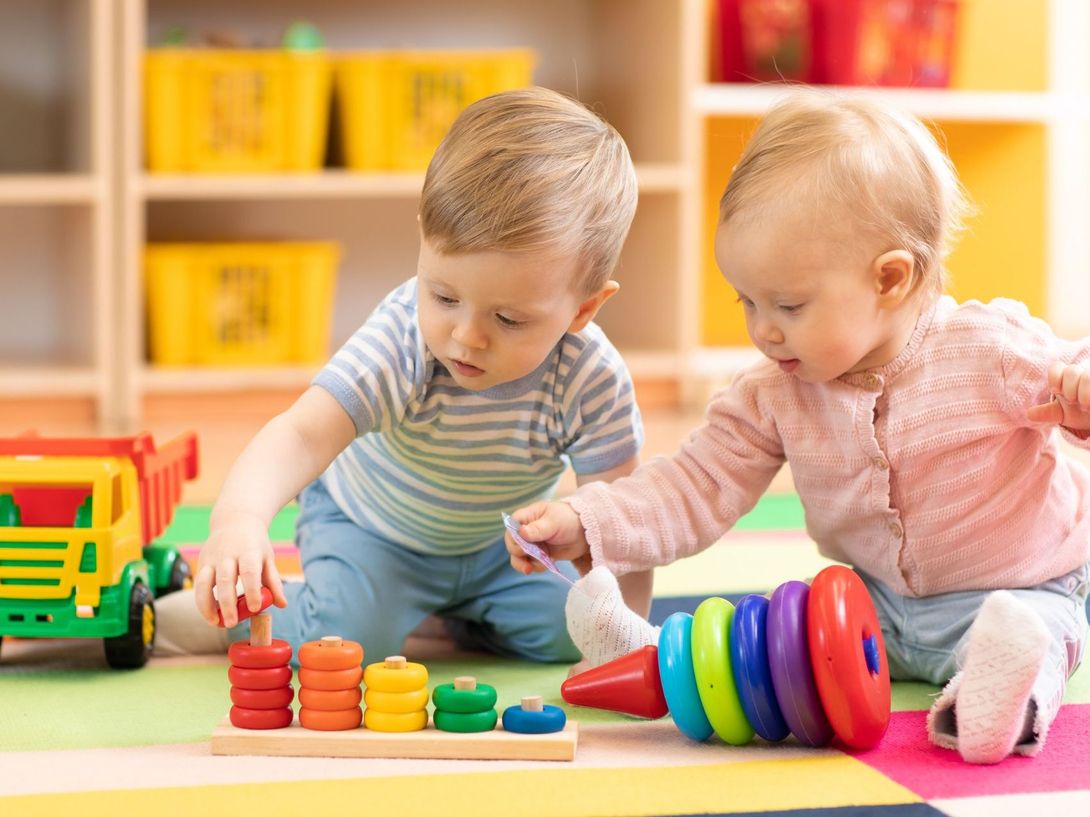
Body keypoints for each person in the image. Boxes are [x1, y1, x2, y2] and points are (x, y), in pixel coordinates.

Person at [506, 89, 1090, 764]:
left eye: (787, 303)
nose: (762, 328)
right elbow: (694, 484)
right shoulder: (774, 390)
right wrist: (589, 521)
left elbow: (1072, 374)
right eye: (747, 300)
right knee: (773, 648)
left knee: (1041, 634)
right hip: (875, 606)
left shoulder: (989, 348)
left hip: (1017, 588)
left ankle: (988, 707)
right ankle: (650, 657)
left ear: (890, 279)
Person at [156, 86, 653, 666]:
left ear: (584, 309)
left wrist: (625, 636)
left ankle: (458, 616)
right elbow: (299, 435)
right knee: (343, 644)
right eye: (442, 295)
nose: (466, 335)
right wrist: (238, 520)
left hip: (500, 548)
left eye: (509, 318)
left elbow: (618, 520)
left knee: (574, 630)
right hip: (372, 531)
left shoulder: (592, 378)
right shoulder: (401, 343)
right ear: (423, 239)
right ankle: (231, 618)